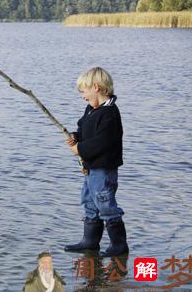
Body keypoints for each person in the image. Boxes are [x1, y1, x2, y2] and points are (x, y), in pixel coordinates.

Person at [64, 67, 129, 257]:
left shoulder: (109, 113)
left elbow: (103, 142)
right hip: (91, 168)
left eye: (84, 91)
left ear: (96, 87)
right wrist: (76, 137)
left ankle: (119, 245)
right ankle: (90, 241)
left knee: (105, 203)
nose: (82, 96)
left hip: (103, 168)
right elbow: (85, 130)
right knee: (89, 201)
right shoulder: (91, 110)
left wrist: (80, 150)